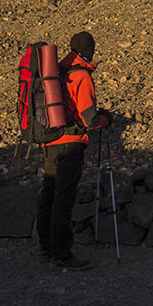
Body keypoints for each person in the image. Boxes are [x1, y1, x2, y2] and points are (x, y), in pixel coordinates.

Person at [37, 31, 111, 270]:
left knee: (48, 195)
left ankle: (46, 248)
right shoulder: (81, 76)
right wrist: (105, 120)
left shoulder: (57, 72)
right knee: (63, 200)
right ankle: (63, 254)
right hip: (70, 144)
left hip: (50, 143)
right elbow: (90, 119)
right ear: (89, 51)